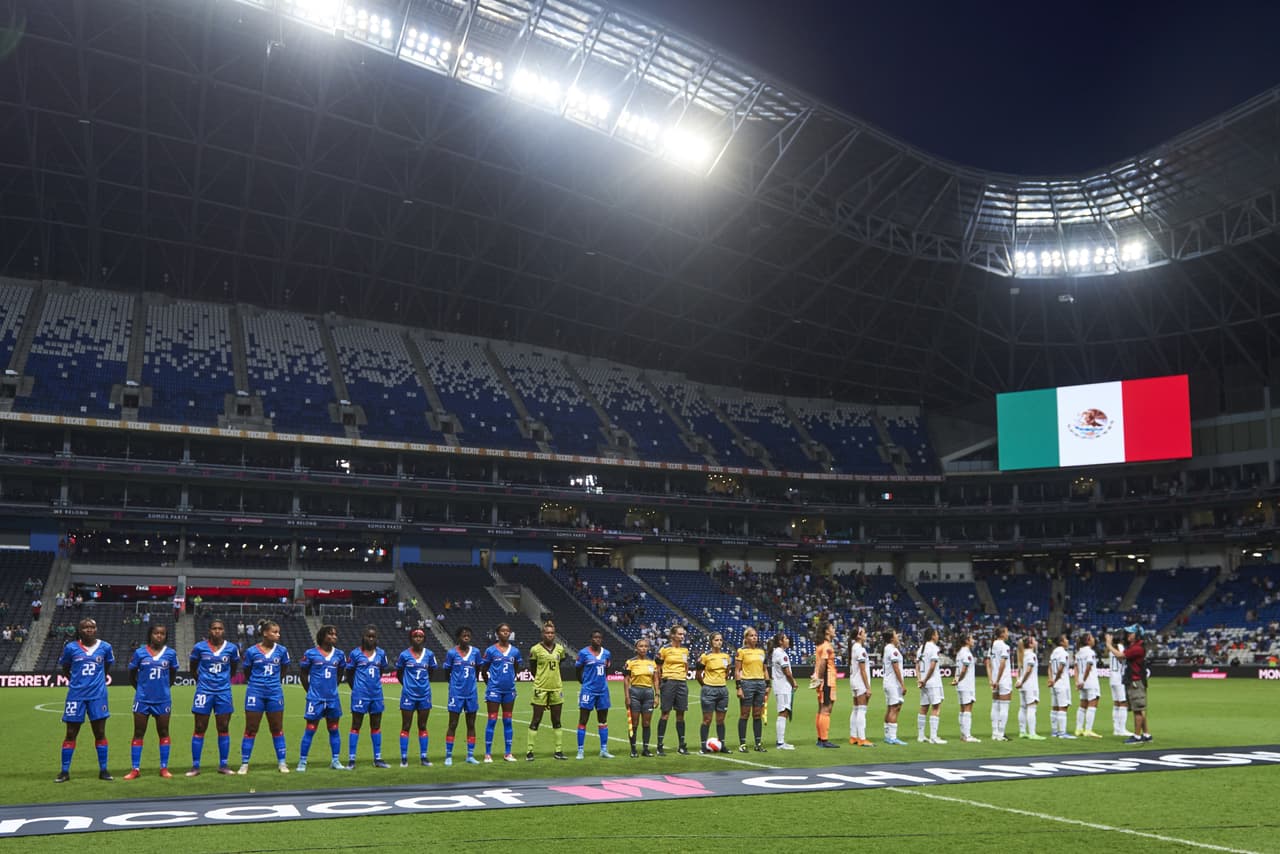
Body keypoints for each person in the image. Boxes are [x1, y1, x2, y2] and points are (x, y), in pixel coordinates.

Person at [56, 618, 115, 782]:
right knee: (70, 733)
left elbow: (107, 667)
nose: (89, 630)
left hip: (98, 696)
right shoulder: (71, 648)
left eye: (92, 627)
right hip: (76, 696)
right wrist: (78, 683)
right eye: (85, 627)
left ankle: (103, 770)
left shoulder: (105, 647)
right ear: (80, 630)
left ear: (96, 629)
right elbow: (66, 668)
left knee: (100, 732)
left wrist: (97, 682)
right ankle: (64, 771)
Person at [123, 623, 180, 779]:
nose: (159, 636)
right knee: (139, 733)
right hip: (142, 699)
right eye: (156, 633)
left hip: (163, 700)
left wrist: (164, 689)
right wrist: (141, 689)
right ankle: (135, 769)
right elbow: (131, 674)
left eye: (162, 633)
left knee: (163, 732)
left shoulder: (170, 653)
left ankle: (164, 768)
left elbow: (173, 674)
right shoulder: (140, 653)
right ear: (150, 634)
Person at [238, 619, 291, 774]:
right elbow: (247, 671)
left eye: (278, 632)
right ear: (265, 633)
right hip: (255, 692)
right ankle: (245, 763)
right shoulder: (252, 651)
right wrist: (257, 683)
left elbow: (284, 669)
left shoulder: (282, 651)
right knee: (251, 728)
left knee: (276, 728)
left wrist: (273, 683)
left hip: (275, 692)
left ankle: (282, 762)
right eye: (274, 632)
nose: (278, 635)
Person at [187, 618, 240, 776]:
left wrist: (223, 681)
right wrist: (202, 682)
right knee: (199, 727)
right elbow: (193, 668)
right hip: (204, 692)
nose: (217, 631)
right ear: (209, 630)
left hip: (223, 692)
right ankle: (195, 766)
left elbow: (233, 668)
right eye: (214, 628)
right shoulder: (199, 647)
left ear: (224, 631)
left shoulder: (231, 648)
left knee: (223, 727)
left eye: (220, 628)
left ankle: (223, 765)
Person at [296, 624, 347, 772]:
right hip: (315, 699)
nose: (334, 637)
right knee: (310, 729)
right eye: (330, 634)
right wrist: (310, 691)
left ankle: (335, 760)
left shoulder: (340, 655)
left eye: (335, 634)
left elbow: (339, 673)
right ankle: (302, 761)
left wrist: (332, 689)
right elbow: (303, 674)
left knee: (334, 729)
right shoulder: (311, 654)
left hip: (332, 699)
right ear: (323, 636)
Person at [347, 624, 391, 768]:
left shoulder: (381, 654)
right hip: (360, 694)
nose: (371, 639)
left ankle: (377, 758)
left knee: (376, 725)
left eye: (373, 636)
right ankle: (352, 760)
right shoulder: (355, 654)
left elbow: (382, 669)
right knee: (356, 725)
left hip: (376, 695)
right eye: (368, 636)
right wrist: (356, 688)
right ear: (363, 637)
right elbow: (349, 674)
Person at [525, 620, 569, 761]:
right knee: (536, 719)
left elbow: (560, 662)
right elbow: (533, 668)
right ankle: (530, 751)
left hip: (556, 688)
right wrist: (541, 679)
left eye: (552, 633)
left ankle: (558, 750)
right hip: (541, 688)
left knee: (556, 720)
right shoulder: (535, 649)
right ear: (542, 634)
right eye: (547, 632)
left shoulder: (560, 649)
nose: (549, 635)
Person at [480, 622, 523, 763]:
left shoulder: (515, 651)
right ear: (497, 633)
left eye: (507, 631)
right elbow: (483, 669)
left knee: (508, 721)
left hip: (509, 691)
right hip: (494, 691)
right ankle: (487, 754)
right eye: (503, 631)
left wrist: (510, 679)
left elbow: (516, 667)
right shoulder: (491, 650)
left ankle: (508, 753)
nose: (505, 633)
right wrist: (490, 684)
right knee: (492, 720)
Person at [396, 627, 438, 767]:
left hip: (424, 695)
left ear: (424, 639)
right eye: (415, 636)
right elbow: (399, 674)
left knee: (422, 725)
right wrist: (408, 686)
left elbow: (431, 672)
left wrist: (423, 686)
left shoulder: (430, 654)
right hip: (408, 695)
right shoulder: (404, 655)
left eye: (420, 636)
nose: (418, 638)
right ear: (411, 638)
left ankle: (424, 757)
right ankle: (403, 758)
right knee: (406, 726)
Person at [1106, 626, 1152, 744]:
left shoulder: (1137, 648)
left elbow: (1121, 656)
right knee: (1139, 709)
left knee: (1137, 710)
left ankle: (1136, 736)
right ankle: (1146, 734)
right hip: (1132, 680)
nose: (1128, 635)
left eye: (1131, 633)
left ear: (1136, 635)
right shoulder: (1134, 646)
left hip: (1135, 681)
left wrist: (1109, 645)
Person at [443, 625, 481, 765]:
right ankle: (448, 755)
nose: (466, 636)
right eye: (463, 635)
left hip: (471, 693)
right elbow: (447, 673)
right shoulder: (452, 653)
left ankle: (470, 755)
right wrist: (454, 685)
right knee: (453, 723)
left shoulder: (475, 652)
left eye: (468, 634)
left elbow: (477, 670)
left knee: (471, 724)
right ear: (458, 637)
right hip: (456, 693)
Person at [575, 629, 614, 759]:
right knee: (583, 720)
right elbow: (578, 669)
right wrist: (583, 682)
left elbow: (606, 670)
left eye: (599, 638)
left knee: (603, 720)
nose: (597, 639)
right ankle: (580, 751)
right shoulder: (584, 653)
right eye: (595, 637)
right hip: (588, 691)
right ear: (591, 639)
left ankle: (603, 750)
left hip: (602, 691)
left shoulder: (607, 653)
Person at [655, 625, 691, 755]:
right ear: (673, 635)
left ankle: (682, 745)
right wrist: (660, 683)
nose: (682, 636)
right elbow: (658, 667)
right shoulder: (664, 649)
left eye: (683, 634)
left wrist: (683, 676)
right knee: (665, 713)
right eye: (680, 634)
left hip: (681, 682)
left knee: (681, 714)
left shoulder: (685, 651)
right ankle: (659, 746)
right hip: (668, 682)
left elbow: (686, 666)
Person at [735, 626, 770, 752]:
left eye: (755, 635)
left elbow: (765, 669)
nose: (754, 637)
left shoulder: (761, 651)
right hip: (747, 684)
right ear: (746, 638)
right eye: (751, 635)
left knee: (757, 714)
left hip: (760, 683)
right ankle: (742, 744)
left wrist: (768, 684)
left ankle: (758, 743)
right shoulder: (741, 651)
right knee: (745, 714)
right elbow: (737, 670)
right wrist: (738, 687)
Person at [696, 631, 731, 753]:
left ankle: (722, 745)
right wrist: (705, 685)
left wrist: (721, 681)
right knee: (707, 719)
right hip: (709, 690)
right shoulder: (705, 656)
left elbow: (727, 671)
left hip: (723, 690)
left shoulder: (726, 657)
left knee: (721, 720)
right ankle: (703, 746)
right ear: (711, 642)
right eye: (716, 640)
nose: (719, 642)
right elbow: (698, 674)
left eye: (721, 640)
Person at [623, 637, 658, 757]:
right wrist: (627, 696)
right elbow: (626, 680)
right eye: (641, 646)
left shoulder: (652, 663)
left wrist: (657, 695)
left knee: (647, 723)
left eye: (645, 646)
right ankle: (633, 750)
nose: (643, 648)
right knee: (634, 723)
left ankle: (645, 749)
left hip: (648, 693)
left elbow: (655, 680)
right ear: (636, 648)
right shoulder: (630, 662)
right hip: (635, 692)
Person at [915, 626, 946, 744]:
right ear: (933, 636)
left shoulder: (921, 648)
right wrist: (926, 679)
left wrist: (920, 679)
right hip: (932, 682)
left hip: (923, 682)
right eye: (937, 634)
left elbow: (917, 666)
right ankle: (934, 736)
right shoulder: (934, 648)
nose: (938, 636)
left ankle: (921, 736)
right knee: (936, 707)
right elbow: (932, 666)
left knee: (923, 707)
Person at [768, 632, 797, 750]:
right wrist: (794, 683)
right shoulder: (781, 654)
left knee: (783, 711)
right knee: (783, 712)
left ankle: (780, 741)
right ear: (780, 641)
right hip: (783, 687)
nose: (788, 640)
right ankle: (780, 742)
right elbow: (787, 672)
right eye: (785, 638)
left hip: (779, 686)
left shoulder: (777, 652)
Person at [813, 621, 840, 748]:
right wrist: (820, 678)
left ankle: (820, 738)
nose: (834, 629)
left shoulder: (820, 646)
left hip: (823, 681)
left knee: (821, 709)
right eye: (832, 628)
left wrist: (817, 678)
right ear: (827, 631)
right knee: (826, 709)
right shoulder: (827, 646)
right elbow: (823, 663)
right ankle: (824, 740)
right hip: (827, 680)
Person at [845, 626, 873, 747]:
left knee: (856, 709)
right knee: (862, 709)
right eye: (864, 632)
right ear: (859, 636)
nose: (865, 634)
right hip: (860, 682)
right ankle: (862, 738)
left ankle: (853, 736)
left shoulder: (854, 648)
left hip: (854, 681)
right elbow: (863, 670)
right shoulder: (860, 650)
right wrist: (868, 687)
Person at [951, 634, 980, 743]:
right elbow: (963, 670)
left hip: (961, 686)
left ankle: (963, 735)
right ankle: (967, 735)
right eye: (972, 638)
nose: (973, 640)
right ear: (967, 641)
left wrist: (956, 680)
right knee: (967, 709)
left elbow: (958, 670)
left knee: (962, 709)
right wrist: (959, 679)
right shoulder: (966, 653)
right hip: (966, 684)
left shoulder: (959, 653)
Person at [1015, 636, 1045, 740]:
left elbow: (1019, 670)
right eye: (1034, 640)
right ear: (1031, 644)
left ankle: (1022, 732)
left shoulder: (1022, 655)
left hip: (1023, 685)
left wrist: (1018, 681)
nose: (1036, 642)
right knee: (1032, 707)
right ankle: (1032, 733)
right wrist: (1022, 681)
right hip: (1030, 684)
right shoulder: (1031, 655)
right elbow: (1028, 670)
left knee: (1023, 708)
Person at [1106, 628, 1134, 737]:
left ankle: (1116, 729)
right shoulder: (1120, 647)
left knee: (1117, 703)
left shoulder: (1111, 649)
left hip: (1112, 678)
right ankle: (1121, 729)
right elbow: (1122, 659)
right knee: (1123, 703)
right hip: (1119, 678)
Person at [881, 628, 907, 745]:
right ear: (892, 638)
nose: (898, 636)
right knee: (894, 708)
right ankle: (892, 737)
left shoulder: (888, 649)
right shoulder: (892, 650)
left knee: (890, 707)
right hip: (893, 683)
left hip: (888, 682)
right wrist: (902, 684)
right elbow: (896, 667)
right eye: (896, 634)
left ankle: (887, 735)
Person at [987, 625, 1012, 741]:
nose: (1008, 634)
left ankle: (994, 732)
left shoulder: (991, 646)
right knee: (1004, 707)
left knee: (995, 705)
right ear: (1002, 634)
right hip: (1004, 679)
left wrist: (991, 679)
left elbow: (988, 663)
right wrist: (998, 679)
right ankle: (1001, 734)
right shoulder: (1005, 647)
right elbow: (1002, 664)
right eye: (1006, 632)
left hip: (995, 679)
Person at [1075, 632, 1103, 738]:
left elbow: (1076, 668)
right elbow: (1088, 667)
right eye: (1092, 637)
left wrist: (1078, 681)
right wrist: (1083, 680)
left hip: (1082, 682)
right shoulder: (1090, 652)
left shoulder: (1078, 653)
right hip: (1090, 681)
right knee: (1092, 704)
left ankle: (1078, 729)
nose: (1094, 639)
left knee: (1083, 705)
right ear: (1088, 640)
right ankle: (1088, 730)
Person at [1048, 633, 1075, 740]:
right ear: (1061, 642)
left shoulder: (1053, 653)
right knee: (1063, 707)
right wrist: (1055, 679)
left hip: (1054, 684)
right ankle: (1062, 732)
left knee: (1055, 707)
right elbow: (1060, 668)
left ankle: (1054, 731)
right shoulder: (1063, 653)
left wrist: (1051, 679)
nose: (1068, 641)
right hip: (1061, 682)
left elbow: (1050, 667)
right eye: (1066, 639)